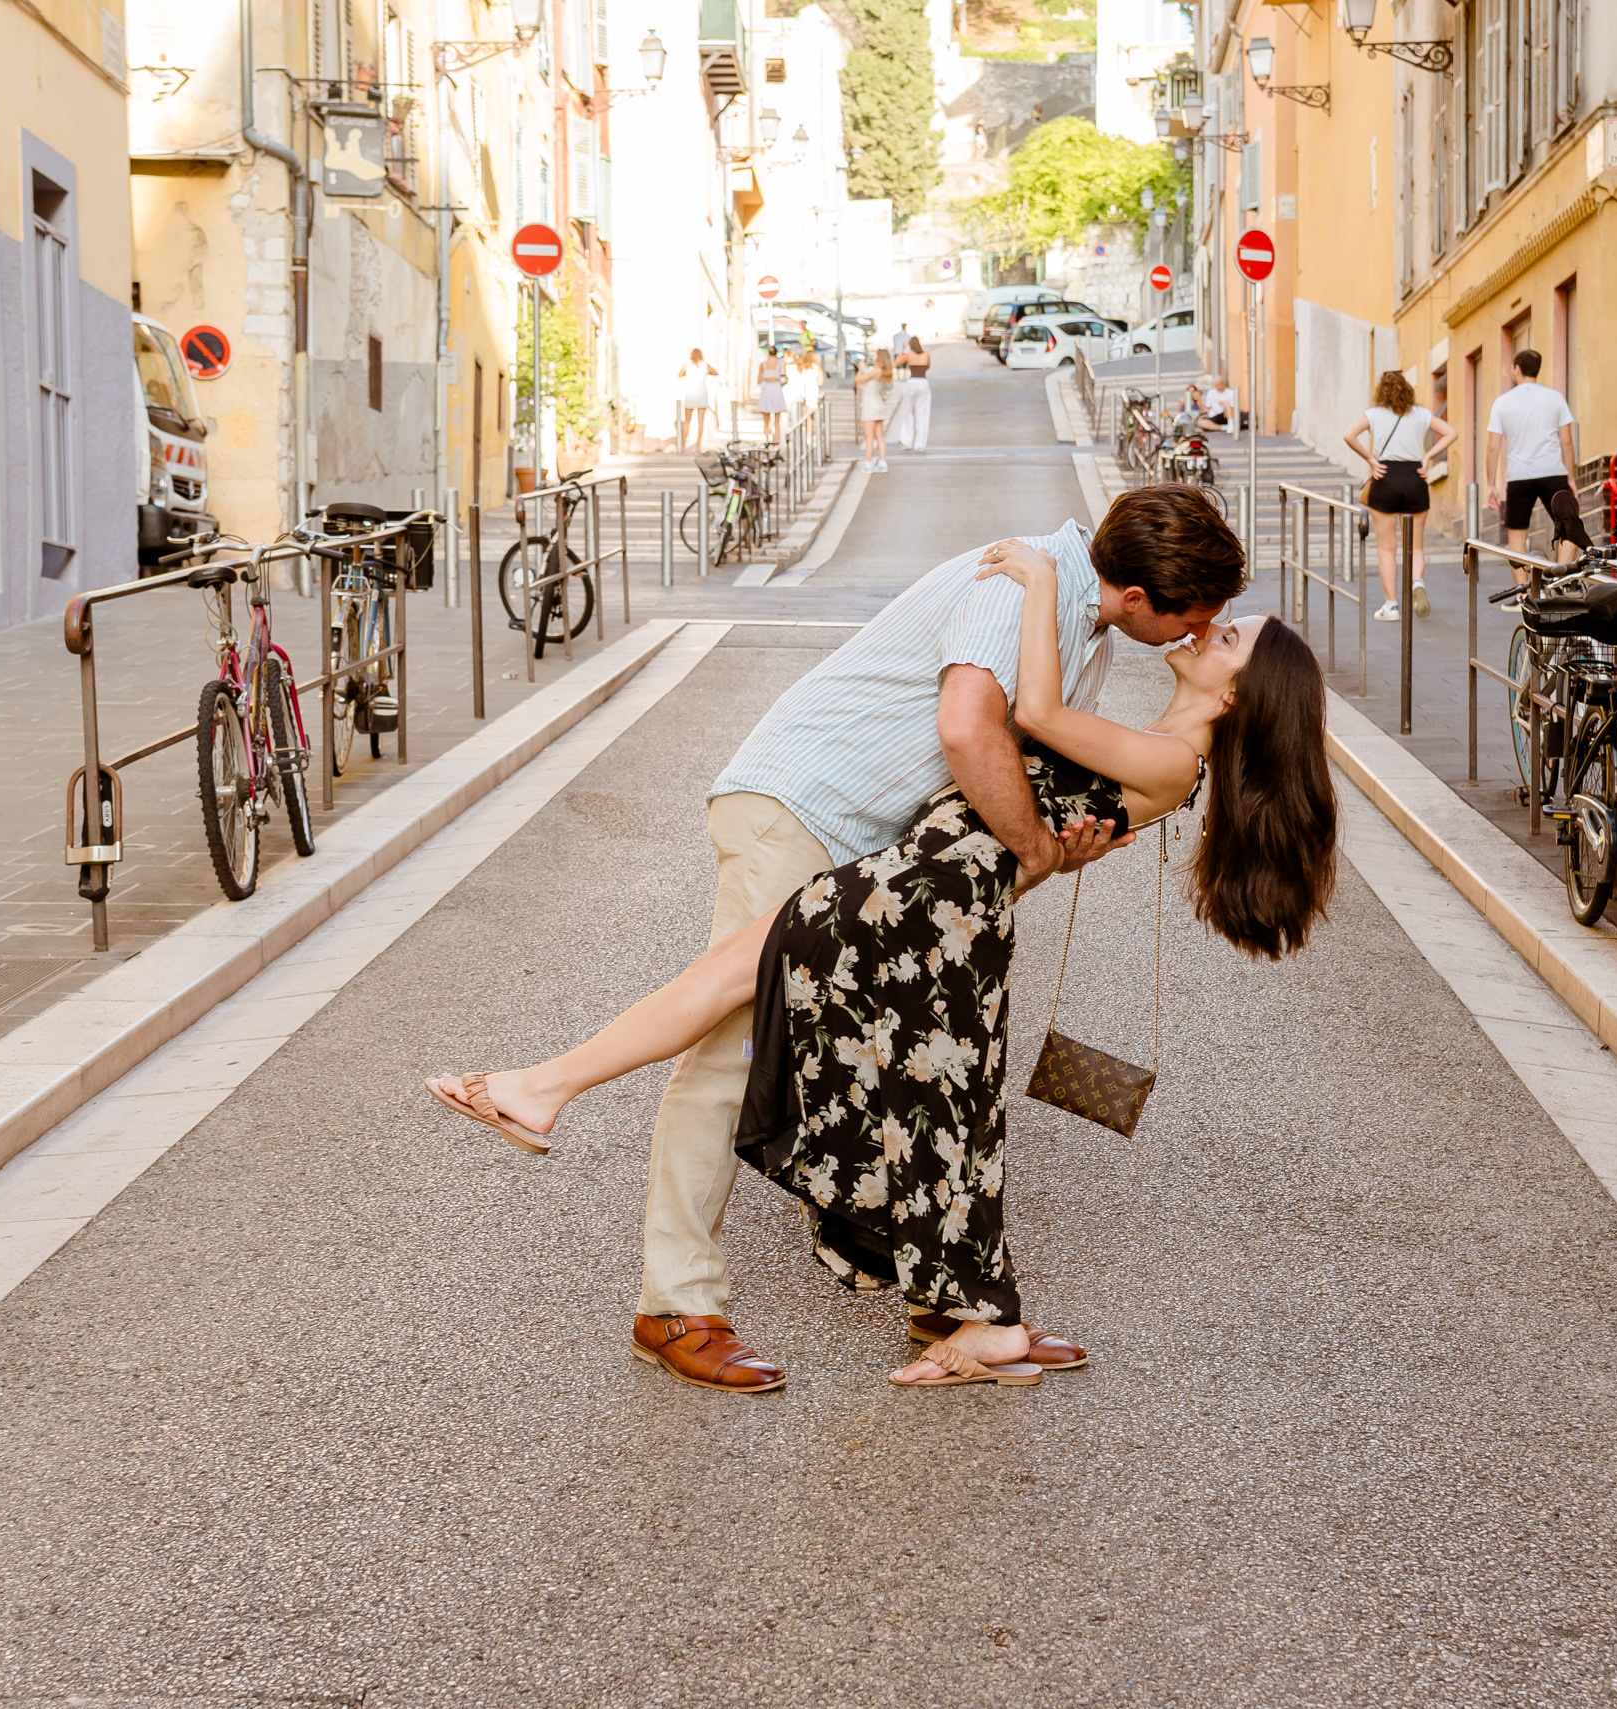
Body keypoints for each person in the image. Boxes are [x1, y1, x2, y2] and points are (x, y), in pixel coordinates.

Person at [425, 493, 1334, 1391]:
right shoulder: (1032, 593)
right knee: (797, 1053)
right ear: (1138, 598)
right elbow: (981, 730)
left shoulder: (1161, 738)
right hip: (838, 823)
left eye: (1225, 634)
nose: (1207, 629)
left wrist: (1054, 843)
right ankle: (680, 1279)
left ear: (1239, 691)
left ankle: (967, 1313)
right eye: (1210, 617)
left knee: (925, 1090)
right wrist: (1048, 839)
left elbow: (1039, 741)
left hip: (920, 886)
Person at [1343, 369, 1458, 623]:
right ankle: (1417, 581)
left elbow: (1348, 434)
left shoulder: (1374, 415)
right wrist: (1428, 457)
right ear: (1406, 389)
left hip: (1385, 476)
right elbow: (1451, 432)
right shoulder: (1420, 414)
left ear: (1381, 390)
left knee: (1387, 547)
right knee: (1415, 545)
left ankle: (1391, 606)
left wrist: (1370, 459)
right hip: (1415, 477)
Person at [1485, 349, 1590, 575]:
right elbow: (1567, 442)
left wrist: (1490, 484)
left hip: (1518, 476)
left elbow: (1493, 446)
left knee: (1517, 533)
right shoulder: (1555, 398)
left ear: (1517, 369)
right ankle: (1560, 581)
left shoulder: (1502, 402)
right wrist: (1570, 477)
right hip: (1553, 471)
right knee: (1568, 525)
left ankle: (1522, 592)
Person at [890, 336, 933, 452]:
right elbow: (928, 367)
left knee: (907, 412)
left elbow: (897, 362)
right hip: (923, 382)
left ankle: (907, 441)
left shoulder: (909, 354)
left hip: (912, 382)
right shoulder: (926, 355)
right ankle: (920, 444)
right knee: (922, 413)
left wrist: (903, 349)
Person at [856, 345, 894, 470]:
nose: (875, 357)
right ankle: (883, 462)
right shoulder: (884, 372)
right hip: (879, 405)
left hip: (870, 406)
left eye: (876, 355)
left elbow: (859, 380)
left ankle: (868, 463)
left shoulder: (875, 371)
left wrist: (860, 369)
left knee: (869, 437)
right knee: (880, 436)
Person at [676, 348, 719, 452]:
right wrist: (706, 373)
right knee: (701, 421)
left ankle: (683, 444)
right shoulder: (705, 364)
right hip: (702, 394)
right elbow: (716, 372)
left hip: (690, 394)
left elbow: (679, 374)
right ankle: (698, 445)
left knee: (687, 421)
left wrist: (688, 374)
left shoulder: (687, 364)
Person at [756, 341, 790, 443]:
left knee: (766, 421)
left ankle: (767, 439)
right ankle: (776, 440)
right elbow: (785, 378)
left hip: (766, 390)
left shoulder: (763, 365)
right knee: (777, 421)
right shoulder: (780, 364)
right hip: (776, 390)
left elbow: (758, 380)